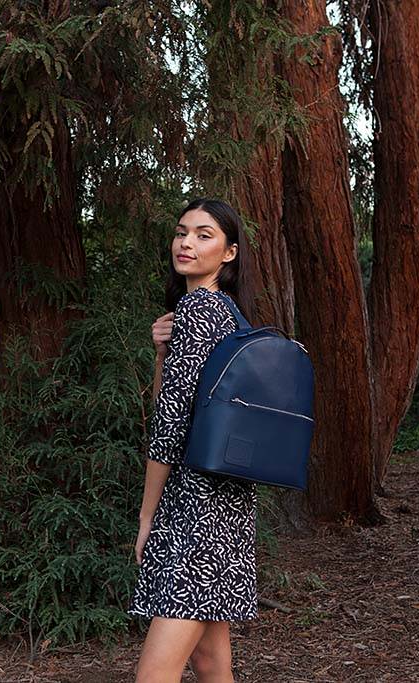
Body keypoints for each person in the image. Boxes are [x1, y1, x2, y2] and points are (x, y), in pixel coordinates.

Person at [128, 197, 259, 682]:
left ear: (229, 253)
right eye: (182, 231)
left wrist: (147, 517)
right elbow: (181, 403)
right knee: (208, 662)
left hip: (196, 516)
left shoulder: (197, 308)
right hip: (226, 508)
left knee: (154, 676)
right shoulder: (226, 312)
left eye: (205, 235)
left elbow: (168, 428)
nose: (186, 242)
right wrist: (164, 353)